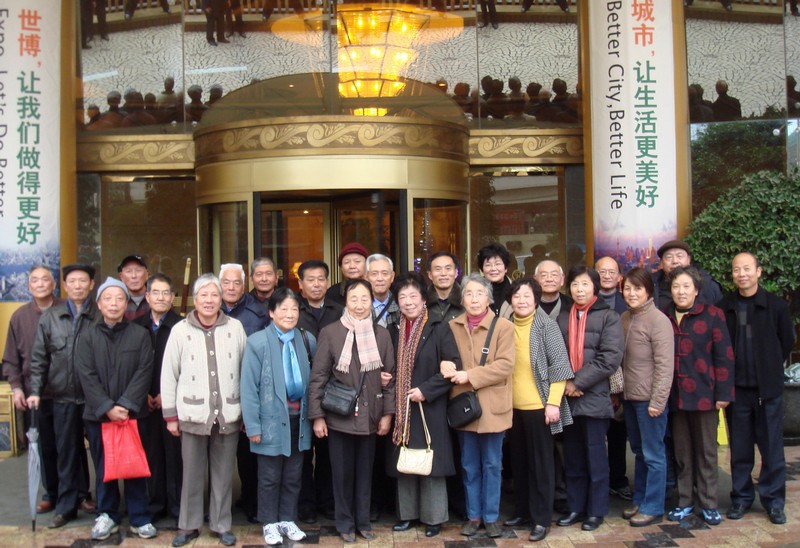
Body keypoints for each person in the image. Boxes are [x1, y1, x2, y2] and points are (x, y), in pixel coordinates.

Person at [161, 273, 247, 547]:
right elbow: (169, 374)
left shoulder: (235, 328)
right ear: (195, 299)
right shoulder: (180, 330)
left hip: (228, 413)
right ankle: (189, 525)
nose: (209, 300)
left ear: (221, 299)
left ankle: (221, 524)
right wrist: (170, 416)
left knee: (223, 474)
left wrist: (246, 412)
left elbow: (245, 371)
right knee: (192, 474)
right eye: (204, 295)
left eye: (214, 295)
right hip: (192, 414)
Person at [308, 279, 395, 543]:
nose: (359, 305)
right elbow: (318, 377)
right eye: (354, 299)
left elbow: (389, 378)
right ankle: (344, 523)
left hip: (370, 417)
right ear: (345, 301)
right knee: (342, 474)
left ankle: (363, 521)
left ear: (371, 301)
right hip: (339, 416)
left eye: (364, 299)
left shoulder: (382, 335)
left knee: (365, 474)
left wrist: (387, 414)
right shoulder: (331, 332)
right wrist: (317, 416)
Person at [75, 277, 156, 541]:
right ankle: (107, 514)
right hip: (99, 416)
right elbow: (86, 375)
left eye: (119, 298)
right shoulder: (87, 336)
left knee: (135, 465)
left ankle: (139, 517)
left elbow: (144, 371)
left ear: (126, 303)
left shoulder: (139, 334)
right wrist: (107, 407)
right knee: (104, 466)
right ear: (99, 304)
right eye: (107, 299)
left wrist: (126, 405)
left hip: (132, 414)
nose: (113, 303)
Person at [720, 252, 795, 525]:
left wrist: (769, 367)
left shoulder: (776, 306)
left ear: (758, 271)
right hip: (737, 391)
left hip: (767, 390)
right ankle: (741, 498)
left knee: (772, 448)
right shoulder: (725, 306)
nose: (742, 274)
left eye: (747, 269)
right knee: (740, 449)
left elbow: (786, 341)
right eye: (736, 269)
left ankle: (773, 502)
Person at [387, 273, 460, 539]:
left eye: (413, 296)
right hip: (402, 406)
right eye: (402, 297)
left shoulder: (439, 327)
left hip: (429, 406)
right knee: (406, 461)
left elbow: (452, 367)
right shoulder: (393, 330)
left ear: (423, 299)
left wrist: (425, 391)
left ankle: (433, 517)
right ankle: (407, 515)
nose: (408, 302)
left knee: (431, 463)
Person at [443, 273, 514, 539]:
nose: (474, 299)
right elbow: (445, 356)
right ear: (462, 299)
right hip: (465, 406)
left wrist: (470, 375)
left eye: (479, 293)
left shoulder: (503, 327)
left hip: (493, 407)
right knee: (469, 465)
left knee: (493, 464)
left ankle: (492, 517)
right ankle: (473, 516)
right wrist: (445, 364)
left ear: (489, 298)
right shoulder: (452, 326)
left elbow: (505, 365)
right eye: (469, 294)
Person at [28, 264, 98, 529]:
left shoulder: (100, 314)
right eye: (73, 281)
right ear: (65, 286)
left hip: (95, 399)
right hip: (63, 398)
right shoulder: (50, 317)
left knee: (100, 454)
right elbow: (39, 358)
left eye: (83, 281)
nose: (78, 286)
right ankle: (66, 507)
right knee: (66, 454)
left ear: (91, 284)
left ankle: (106, 505)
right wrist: (35, 392)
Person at [241, 288, 313, 545]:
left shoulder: (305, 339)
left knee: (293, 475)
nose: (290, 314)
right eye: (283, 309)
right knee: (269, 476)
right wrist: (252, 425)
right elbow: (248, 387)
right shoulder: (257, 342)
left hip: (299, 420)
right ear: (271, 312)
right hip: (270, 422)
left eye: (294, 309)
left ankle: (287, 519)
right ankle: (269, 522)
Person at [664, 265, 734, 526]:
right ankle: (685, 501)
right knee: (682, 452)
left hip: (705, 394)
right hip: (675, 396)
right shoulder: (664, 315)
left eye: (686, 286)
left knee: (706, 452)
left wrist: (723, 393)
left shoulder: (713, 315)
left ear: (696, 290)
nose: (681, 292)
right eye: (676, 286)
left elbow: (724, 356)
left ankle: (708, 503)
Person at [555, 266, 623, 532]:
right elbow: (554, 354)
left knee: (596, 457)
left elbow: (609, 358)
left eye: (585, 284)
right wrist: (566, 383)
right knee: (572, 457)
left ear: (595, 287)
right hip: (568, 398)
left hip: (594, 397)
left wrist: (578, 382)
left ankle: (596, 510)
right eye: (575, 284)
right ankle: (576, 506)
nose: (579, 289)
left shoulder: (608, 317)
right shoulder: (562, 317)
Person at [506, 278, 573, 543]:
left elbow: (560, 366)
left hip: (539, 407)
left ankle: (542, 519)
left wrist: (553, 403)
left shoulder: (547, 326)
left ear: (536, 299)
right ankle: (522, 512)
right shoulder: (506, 325)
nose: (521, 301)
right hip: (512, 409)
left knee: (541, 466)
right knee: (519, 463)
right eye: (517, 296)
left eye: (527, 296)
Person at [2, 265, 61, 513]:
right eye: (34, 280)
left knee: (71, 446)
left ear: (54, 284)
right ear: (29, 286)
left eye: (45, 279)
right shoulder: (19, 317)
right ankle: (51, 493)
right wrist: (16, 388)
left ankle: (80, 494)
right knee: (43, 447)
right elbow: (11, 358)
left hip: (66, 391)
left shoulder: (65, 310)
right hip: (35, 394)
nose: (40, 284)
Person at [618, 267, 674, 527]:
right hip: (630, 398)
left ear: (649, 290)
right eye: (627, 289)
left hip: (649, 401)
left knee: (654, 454)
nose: (631, 293)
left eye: (637, 288)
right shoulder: (624, 317)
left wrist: (658, 401)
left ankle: (653, 506)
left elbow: (665, 366)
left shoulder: (658, 320)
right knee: (639, 452)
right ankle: (639, 499)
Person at [218, 263, 268, 523]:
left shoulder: (258, 312)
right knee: (222, 454)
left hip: (249, 391)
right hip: (218, 393)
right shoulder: (210, 309)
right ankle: (220, 505)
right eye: (226, 282)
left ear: (244, 284)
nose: (231, 287)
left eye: (237, 282)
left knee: (250, 454)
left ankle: (252, 502)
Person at [133, 274, 183, 523]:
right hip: (144, 402)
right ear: (147, 296)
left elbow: (188, 366)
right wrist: (142, 394)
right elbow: (130, 366)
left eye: (166, 293)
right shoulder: (136, 326)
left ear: (172, 297)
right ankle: (155, 505)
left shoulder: (181, 326)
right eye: (156, 292)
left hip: (172, 403)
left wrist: (168, 395)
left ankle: (178, 507)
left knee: (175, 458)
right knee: (150, 455)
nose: (161, 297)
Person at [295, 259, 341, 523]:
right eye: (310, 280)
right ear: (300, 284)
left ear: (327, 282)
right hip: (300, 391)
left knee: (328, 453)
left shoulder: (339, 310)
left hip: (333, 392)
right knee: (302, 453)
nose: (316, 284)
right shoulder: (293, 310)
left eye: (321, 279)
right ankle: (306, 505)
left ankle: (328, 502)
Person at [595, 256, 631, 502]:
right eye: (602, 271)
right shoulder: (586, 301)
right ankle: (598, 482)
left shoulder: (627, 302)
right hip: (594, 378)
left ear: (619, 277)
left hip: (622, 378)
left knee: (618, 433)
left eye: (612, 272)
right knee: (595, 435)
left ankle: (618, 480)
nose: (607, 276)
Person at [651, 240, 722, 309]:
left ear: (689, 259)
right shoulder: (651, 285)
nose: (675, 261)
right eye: (669, 257)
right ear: (661, 263)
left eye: (679, 256)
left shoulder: (709, 285)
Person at [426, 251, 464, 324]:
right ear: (430, 274)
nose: (443, 273)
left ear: (456, 273)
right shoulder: (422, 302)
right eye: (438, 269)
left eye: (448, 268)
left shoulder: (466, 299)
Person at [326, 242, 369, 307]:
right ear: (341, 267)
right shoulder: (332, 293)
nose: (352, 266)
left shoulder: (375, 289)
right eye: (347, 262)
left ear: (367, 264)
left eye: (357, 261)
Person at [477, 243, 512, 317]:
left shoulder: (515, 290)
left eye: (497, 264)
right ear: (482, 269)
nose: (493, 269)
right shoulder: (474, 291)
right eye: (488, 265)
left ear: (506, 268)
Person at [366, 253, 399, 329]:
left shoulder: (401, 304)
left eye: (385, 273)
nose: (380, 279)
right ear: (367, 277)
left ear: (392, 277)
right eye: (374, 274)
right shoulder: (359, 307)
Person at [118, 255, 150, 320]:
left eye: (138, 270)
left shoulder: (157, 299)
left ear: (147, 274)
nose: (134, 276)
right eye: (128, 271)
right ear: (121, 276)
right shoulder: (116, 301)